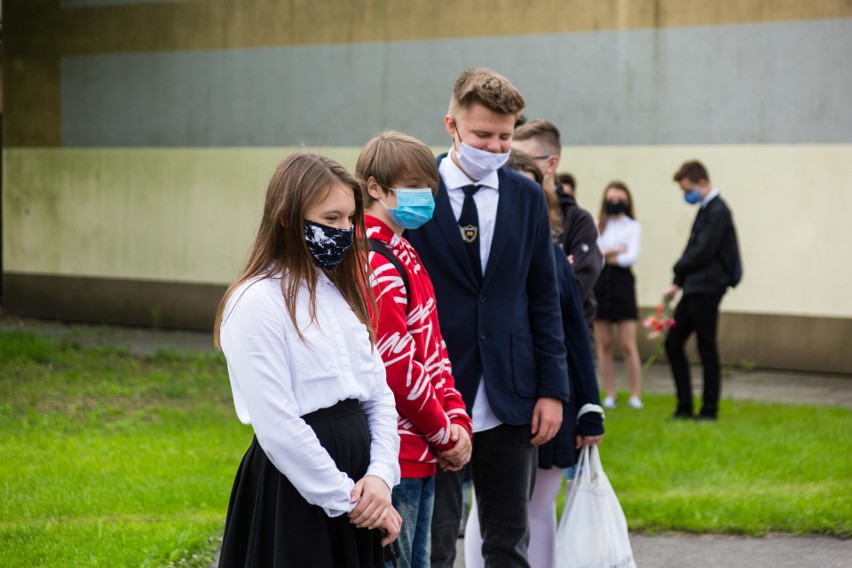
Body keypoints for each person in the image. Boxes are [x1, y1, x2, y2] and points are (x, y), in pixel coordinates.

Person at [405, 68, 569, 568]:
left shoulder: (525, 198)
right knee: (433, 541)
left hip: (511, 393)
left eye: (505, 136)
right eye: (483, 135)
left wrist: (552, 389)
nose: (496, 148)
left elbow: (544, 297)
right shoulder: (415, 194)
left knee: (507, 540)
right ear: (451, 126)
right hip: (434, 394)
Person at [213, 152, 402, 567]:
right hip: (299, 489)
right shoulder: (256, 301)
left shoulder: (339, 292)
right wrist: (347, 499)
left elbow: (378, 395)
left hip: (360, 482)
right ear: (287, 218)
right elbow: (277, 424)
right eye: (331, 219)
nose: (345, 231)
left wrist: (381, 477)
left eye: (350, 219)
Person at [464, 150, 605, 568]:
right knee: (485, 511)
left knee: (535, 508)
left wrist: (587, 405)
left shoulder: (554, 264)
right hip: (487, 400)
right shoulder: (483, 260)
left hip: (540, 401)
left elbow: (571, 337)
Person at [356, 131, 474, 568]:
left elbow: (434, 346)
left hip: (424, 449)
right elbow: (396, 362)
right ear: (374, 187)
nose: (423, 195)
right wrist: (446, 434)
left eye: (428, 187)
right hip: (395, 455)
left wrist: (456, 418)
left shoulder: (404, 249)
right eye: (411, 185)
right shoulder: (372, 258)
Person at [664, 160, 742, 421]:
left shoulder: (718, 211)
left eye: (687, 189)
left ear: (703, 183)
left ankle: (709, 410)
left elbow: (702, 250)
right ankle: (684, 407)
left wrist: (678, 267)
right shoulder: (706, 209)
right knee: (673, 343)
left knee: (706, 347)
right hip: (694, 288)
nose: (686, 195)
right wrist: (677, 280)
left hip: (707, 289)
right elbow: (692, 247)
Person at [513, 120, 603, 336]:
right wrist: (558, 268)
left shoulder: (578, 220)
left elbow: (573, 290)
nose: (512, 169)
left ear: (551, 164)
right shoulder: (506, 212)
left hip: (567, 343)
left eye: (522, 161)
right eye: (509, 161)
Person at [594, 181, 644, 410]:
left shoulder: (633, 226)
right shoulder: (597, 225)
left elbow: (629, 258)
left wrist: (609, 252)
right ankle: (610, 393)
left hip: (623, 283)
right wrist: (614, 250)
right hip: (600, 283)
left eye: (620, 199)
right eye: (611, 198)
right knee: (603, 342)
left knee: (627, 343)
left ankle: (635, 394)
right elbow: (596, 256)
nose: (615, 203)